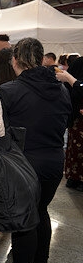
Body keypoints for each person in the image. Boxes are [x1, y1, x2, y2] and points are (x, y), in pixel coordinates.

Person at [0, 38, 71, 263]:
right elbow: (67, 121)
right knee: (41, 211)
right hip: (55, 159)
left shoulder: (9, 91)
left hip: (24, 162)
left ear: (15, 60)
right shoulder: (61, 89)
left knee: (24, 217)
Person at [56, 57, 83, 191]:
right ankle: (74, 178)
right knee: (75, 147)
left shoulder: (78, 64)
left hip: (76, 115)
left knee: (75, 147)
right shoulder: (79, 63)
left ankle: (73, 178)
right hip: (77, 116)